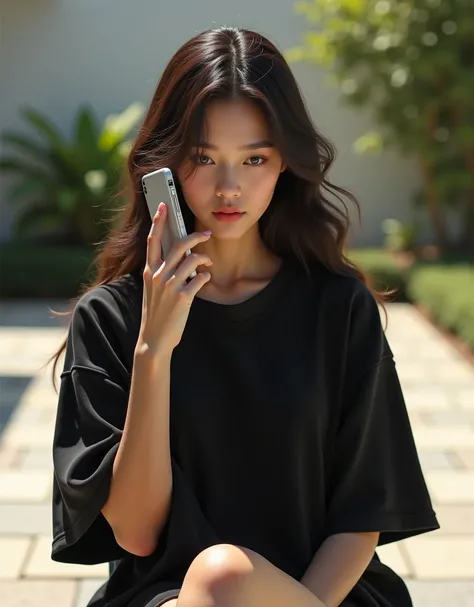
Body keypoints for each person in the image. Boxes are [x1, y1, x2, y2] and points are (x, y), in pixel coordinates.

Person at [49, 26, 439, 607]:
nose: (229, 187)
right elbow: (136, 533)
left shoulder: (337, 309)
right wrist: (154, 350)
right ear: (168, 168)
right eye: (203, 158)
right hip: (170, 595)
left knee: (225, 577)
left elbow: (362, 516)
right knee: (218, 577)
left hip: (327, 594)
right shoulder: (113, 319)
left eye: (254, 157)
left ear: (285, 164)